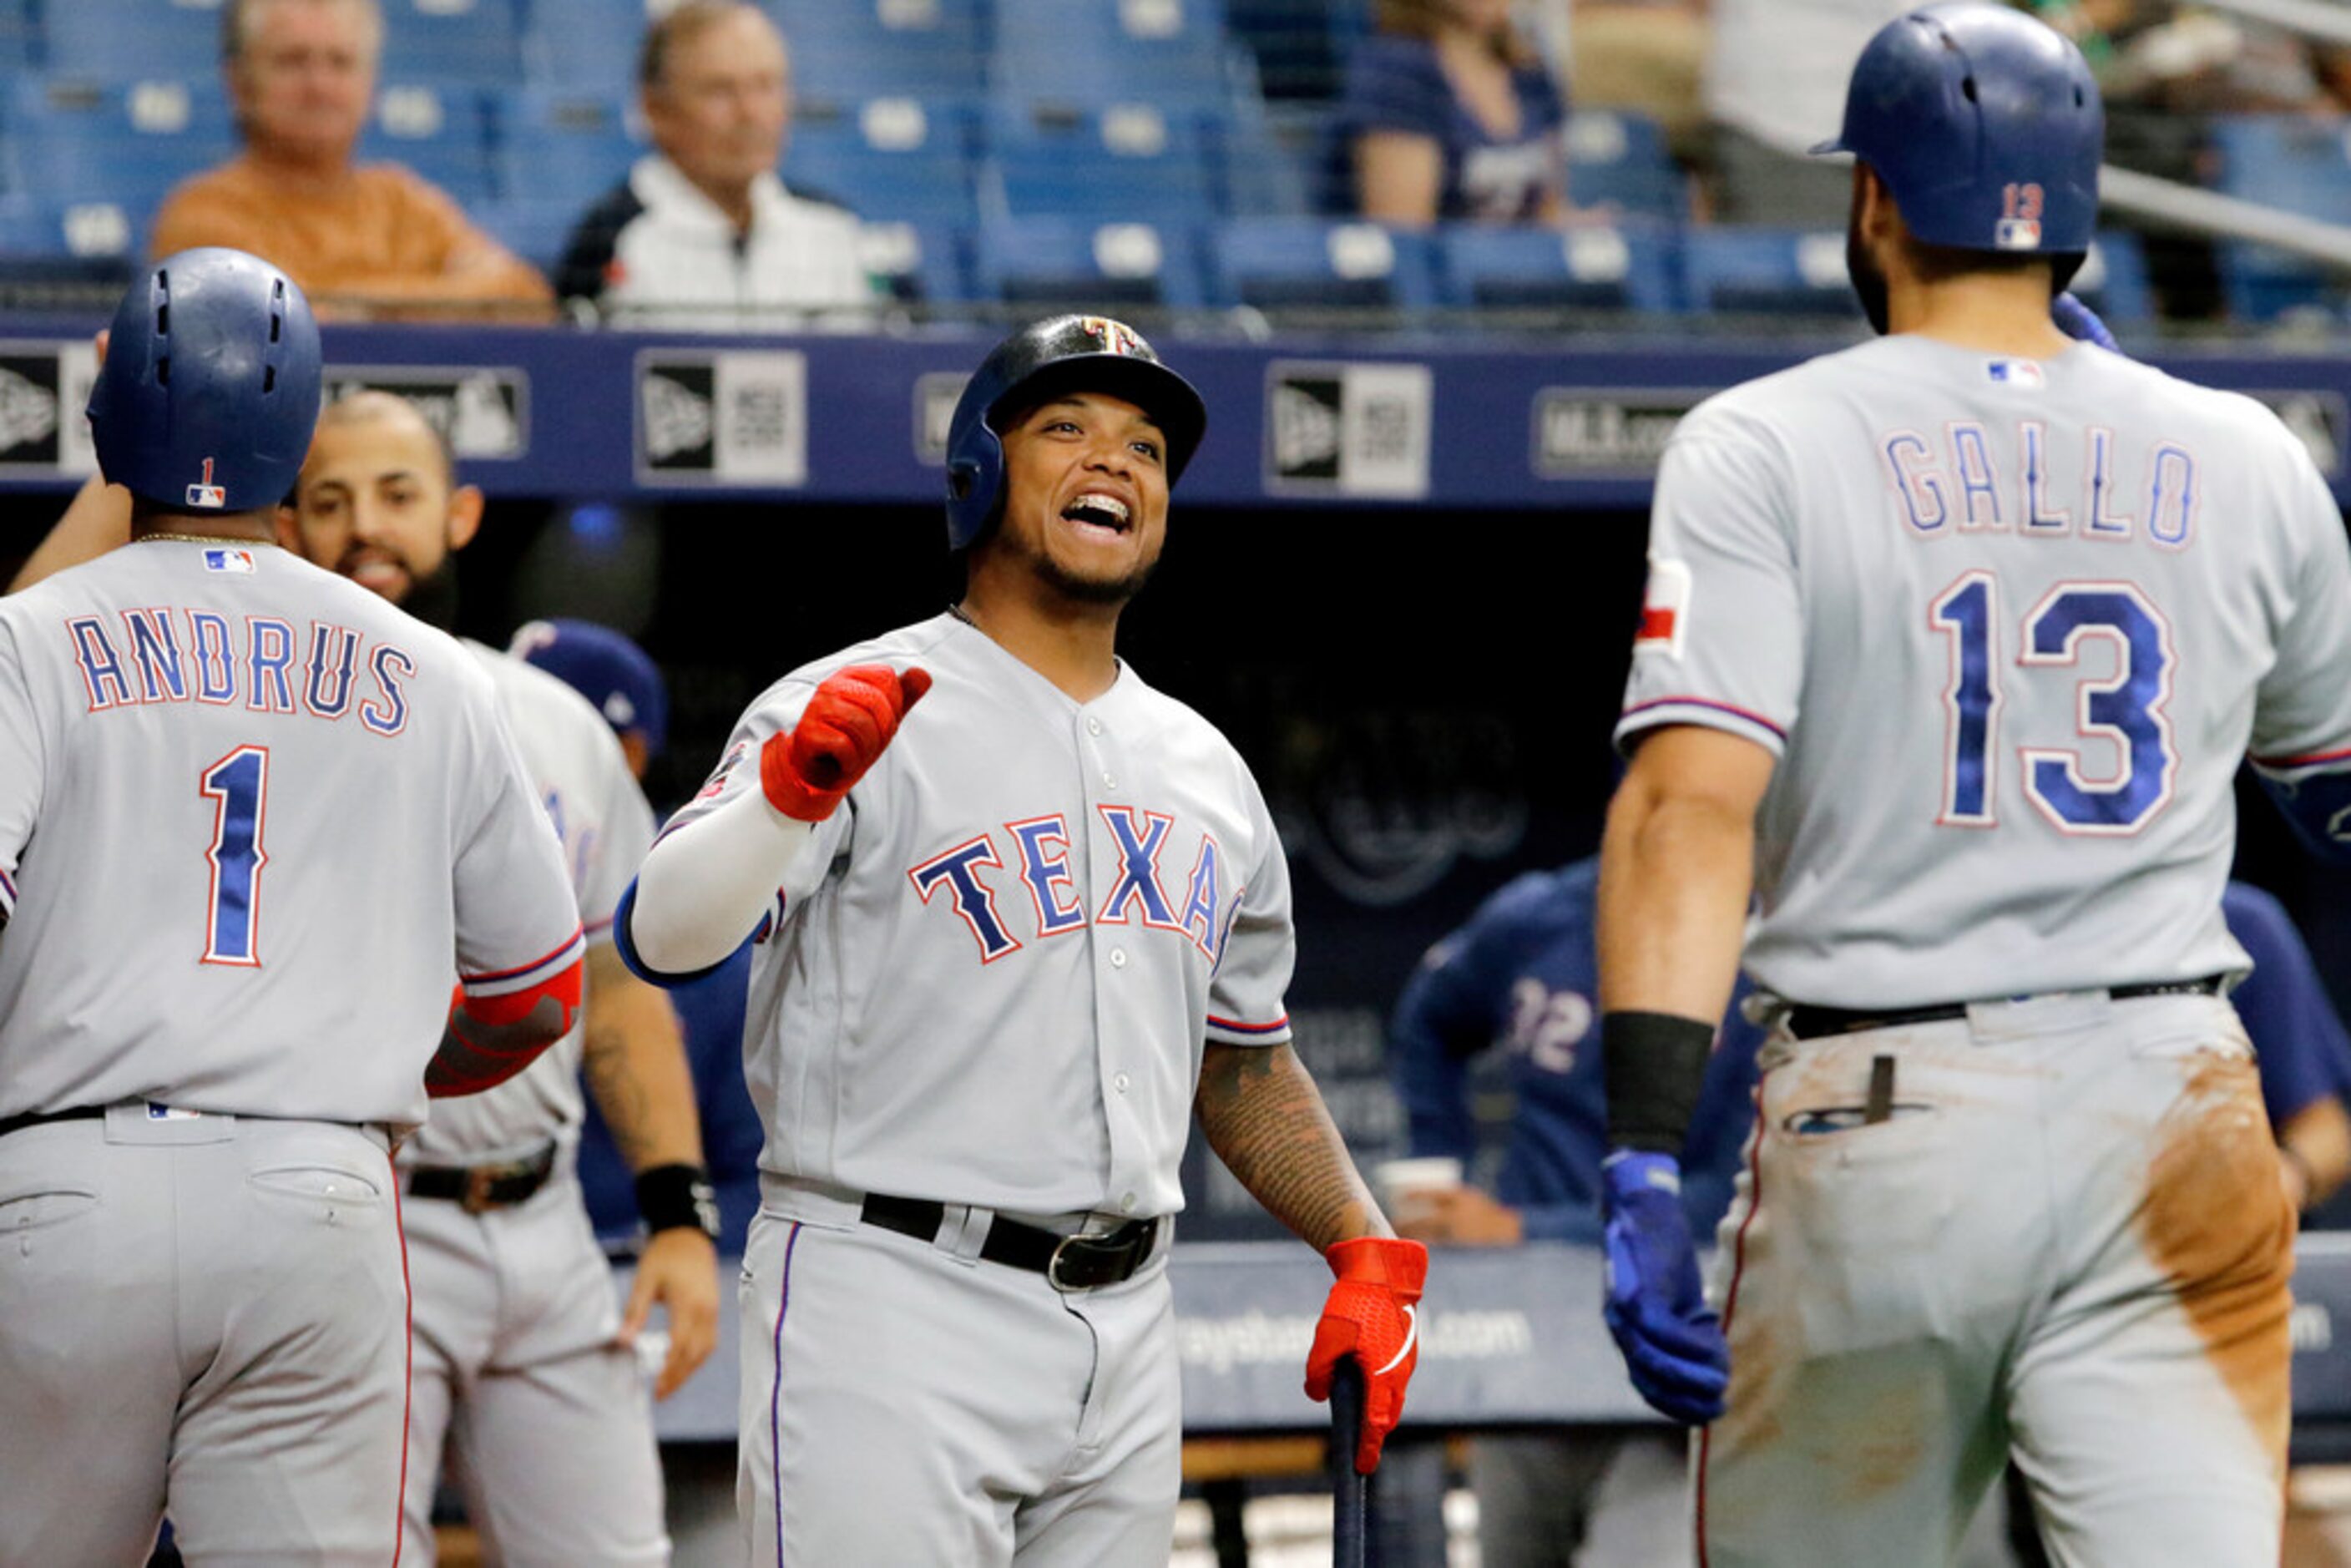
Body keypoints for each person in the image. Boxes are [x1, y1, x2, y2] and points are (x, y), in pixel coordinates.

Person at [1594, 6, 2351, 1564]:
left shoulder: (1762, 441)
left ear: (1874, 199)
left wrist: (1642, 1144)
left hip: (1889, 1127)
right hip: (2177, 1104)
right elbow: (2333, 795)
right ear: (2076, 211)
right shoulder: (2250, 451)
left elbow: (1687, 811)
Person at [620, 314, 1429, 1565]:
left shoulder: (1204, 766)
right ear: (979, 473)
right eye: (1067, 429)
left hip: (1127, 1332)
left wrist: (1359, 1237)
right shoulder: (856, 701)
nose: (1115, 463)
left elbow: (1246, 1056)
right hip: (889, 1296)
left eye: (1147, 448)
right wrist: (790, 789)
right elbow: (663, 937)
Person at [0, 246, 584, 1566]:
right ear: (299, 429)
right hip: (317, 1190)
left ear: (105, 429)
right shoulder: (434, 668)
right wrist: (369, 1060)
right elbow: (539, 990)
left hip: (59, 1180)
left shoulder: (25, 636)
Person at [1388, 852, 1763, 1567]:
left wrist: (1522, 1227)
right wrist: (1440, 1164)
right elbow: (1430, 1020)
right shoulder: (1539, 914)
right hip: (1529, 1317)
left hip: (1670, 1328)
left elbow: (1733, 1192)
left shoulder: (1761, 947)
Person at [513, 615, 766, 1255]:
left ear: (622, 754)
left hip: (640, 1284)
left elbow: (757, 1181)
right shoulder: (457, 891)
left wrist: (648, 1242)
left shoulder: (709, 929)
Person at [150, 0, 554, 320]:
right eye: (293, 61)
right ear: (239, 83)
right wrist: (442, 295)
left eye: (340, 62)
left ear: (371, 84)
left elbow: (523, 295)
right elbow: (287, 317)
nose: (319, 85)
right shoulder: (204, 212)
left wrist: (355, 303)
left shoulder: (402, 201)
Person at [554, 2, 876, 330]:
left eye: (765, 86)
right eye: (720, 90)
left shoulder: (831, 229)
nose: (750, 113)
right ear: (656, 109)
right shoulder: (611, 236)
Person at [1338, 0, 1570, 225]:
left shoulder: (1531, 76)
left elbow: (1547, 214)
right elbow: (1404, 239)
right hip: (1439, 262)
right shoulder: (1395, 72)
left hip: (1519, 263)